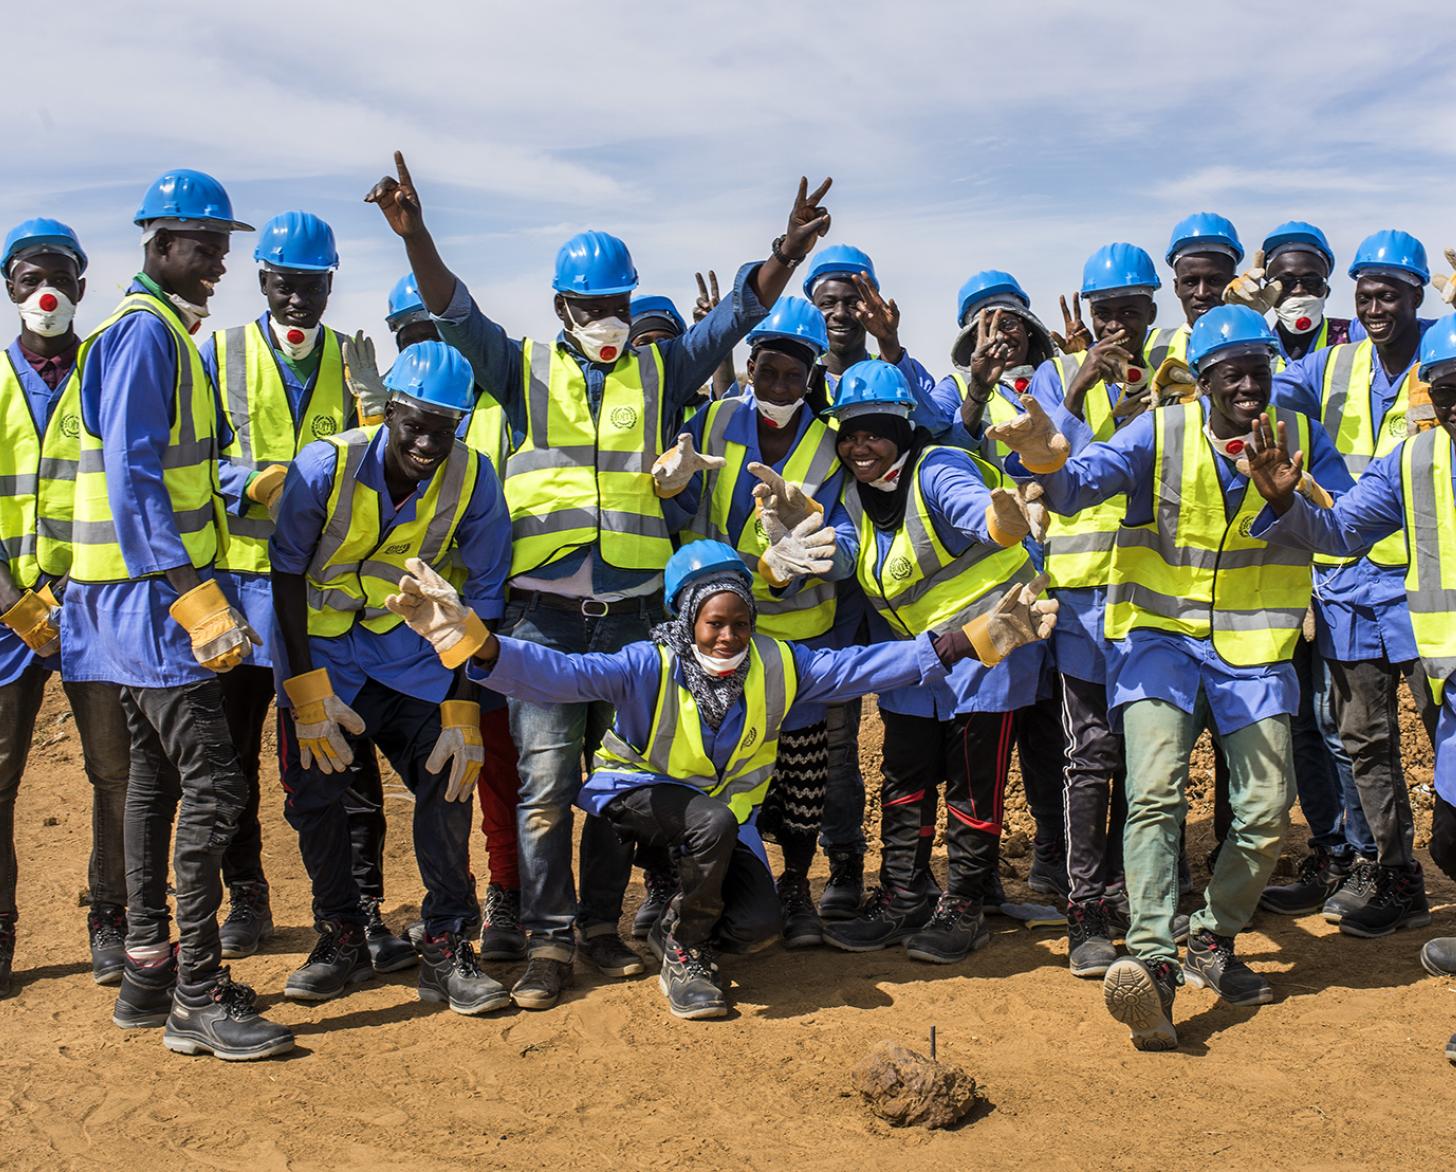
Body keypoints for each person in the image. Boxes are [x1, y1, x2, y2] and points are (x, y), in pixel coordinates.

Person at [365, 149, 832, 1010]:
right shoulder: (522, 369)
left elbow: (733, 318)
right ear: (560, 309)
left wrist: (787, 255)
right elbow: (451, 309)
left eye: (619, 306)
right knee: (545, 783)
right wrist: (417, 234)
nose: (610, 322)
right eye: (592, 308)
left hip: (632, 617)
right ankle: (548, 943)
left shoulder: (660, 371)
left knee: (623, 781)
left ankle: (600, 928)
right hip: (543, 618)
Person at [382, 540, 1055, 1018]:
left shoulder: (782, 666)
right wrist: (471, 639)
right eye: (714, 623)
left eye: (739, 622)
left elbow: (869, 666)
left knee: (758, 922)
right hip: (637, 803)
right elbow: (557, 675)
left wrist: (974, 639)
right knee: (709, 822)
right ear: (687, 620)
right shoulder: (646, 663)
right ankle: (682, 951)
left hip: (713, 824)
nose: (728, 636)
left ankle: (670, 914)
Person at [991, 305, 1353, 1050]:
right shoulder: (1160, 428)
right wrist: (1043, 457)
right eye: (1233, 374)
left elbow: (1345, 527)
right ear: (1206, 379)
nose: (1249, 384)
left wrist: (1287, 501)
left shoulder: (1302, 435)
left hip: (1253, 651)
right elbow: (1075, 486)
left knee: (1266, 804)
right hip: (1159, 642)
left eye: (1259, 369)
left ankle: (1211, 937)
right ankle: (1153, 959)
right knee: (1153, 791)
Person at [38, 169, 293, 1059]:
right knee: (216, 785)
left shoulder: (144, 331)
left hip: (116, 601)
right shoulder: (148, 335)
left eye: (223, 244)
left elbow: (161, 469)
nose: (220, 261)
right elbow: (134, 479)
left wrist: (235, 485)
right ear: (158, 245)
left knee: (153, 785)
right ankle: (196, 989)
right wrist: (192, 595)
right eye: (204, 245)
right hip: (152, 604)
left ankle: (147, 968)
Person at [269, 340, 513, 1014]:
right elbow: (285, 575)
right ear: (388, 412)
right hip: (325, 658)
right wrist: (304, 691)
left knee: (449, 774)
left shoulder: (474, 476)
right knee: (316, 794)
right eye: (415, 426)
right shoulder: (327, 465)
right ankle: (342, 936)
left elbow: (484, 597)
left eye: (445, 427)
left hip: (410, 660)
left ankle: (446, 943)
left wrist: (465, 709)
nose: (429, 443)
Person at [199, 211, 413, 973]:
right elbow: (187, 459)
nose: (298, 302)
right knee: (229, 762)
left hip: (315, 604)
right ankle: (247, 894)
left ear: (330, 285)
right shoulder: (216, 354)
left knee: (334, 758)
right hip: (235, 594)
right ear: (263, 281)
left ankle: (359, 911)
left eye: (313, 287)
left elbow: (388, 461)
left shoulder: (353, 361)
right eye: (285, 285)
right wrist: (240, 480)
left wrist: (373, 410)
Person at [1244, 310, 1456, 1065]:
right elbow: (1338, 530)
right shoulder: (1413, 459)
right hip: (1398, 626)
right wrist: (1283, 502)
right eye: (1448, 392)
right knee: (1380, 759)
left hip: (1415, 623)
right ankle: (1395, 878)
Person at [803, 361, 1056, 961]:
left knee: (974, 785)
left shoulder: (937, 467)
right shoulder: (852, 493)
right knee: (904, 779)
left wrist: (1003, 521)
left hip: (991, 647)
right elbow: (843, 550)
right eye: (849, 433)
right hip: (918, 661)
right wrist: (799, 549)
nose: (859, 445)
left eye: (873, 431)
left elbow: (980, 512)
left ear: (902, 428)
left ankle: (966, 904)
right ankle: (902, 896)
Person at [1270, 229, 1439, 934]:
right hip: (1349, 585)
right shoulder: (1334, 366)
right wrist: (1254, 322)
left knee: (1445, 735)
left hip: (1428, 589)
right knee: (1363, 739)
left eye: (1390, 294)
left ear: (1416, 296)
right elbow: (1258, 382)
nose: (1376, 307)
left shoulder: (1443, 353)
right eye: (1366, 294)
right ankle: (1394, 876)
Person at [351, 272, 523, 961]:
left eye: (431, 327)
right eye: (408, 331)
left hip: (475, 625)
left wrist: (472, 647)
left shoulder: (492, 410)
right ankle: (358, 919)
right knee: (361, 787)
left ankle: (501, 899)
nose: (422, 343)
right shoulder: (393, 411)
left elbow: (488, 546)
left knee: (490, 770)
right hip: (380, 634)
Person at [1006, 243, 1163, 974]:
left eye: (1130, 311)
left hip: (1151, 596)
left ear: (1151, 312)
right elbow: (1020, 460)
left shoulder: (1173, 373)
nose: (1118, 327)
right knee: (1090, 754)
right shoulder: (1051, 376)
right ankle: (1087, 907)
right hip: (1078, 597)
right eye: (1106, 314)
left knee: (1150, 754)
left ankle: (1144, 888)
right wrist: (1076, 387)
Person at [680, 295, 844, 947]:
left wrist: (805, 546)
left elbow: (843, 536)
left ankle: (796, 885)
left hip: (800, 640)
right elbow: (690, 514)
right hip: (723, 633)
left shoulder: (829, 447)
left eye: (792, 376)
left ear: (810, 378)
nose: (778, 387)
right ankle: (702, 887)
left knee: (803, 777)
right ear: (748, 365)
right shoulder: (715, 422)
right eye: (768, 371)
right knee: (714, 769)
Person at [0, 218, 131, 994]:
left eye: (56, 274)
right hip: (7, 615)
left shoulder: (106, 375)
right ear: (9, 289)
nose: (42, 289)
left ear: (81, 286)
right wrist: (16, 602)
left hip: (93, 608)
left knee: (114, 772)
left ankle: (110, 921)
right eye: (25, 276)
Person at [923, 269, 1071, 903]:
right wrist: (979, 389)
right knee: (988, 736)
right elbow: (937, 450)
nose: (1001, 332)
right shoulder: (949, 388)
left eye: (1010, 319)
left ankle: (1053, 858)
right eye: (985, 321)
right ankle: (974, 881)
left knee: (1053, 735)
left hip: (1065, 584)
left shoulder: (1055, 383)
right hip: (993, 594)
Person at [1224, 221, 1351, 365]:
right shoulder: (1256, 350)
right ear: (1269, 291)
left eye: (1311, 281)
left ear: (1326, 290)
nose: (1299, 290)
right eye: (1286, 282)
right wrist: (1243, 320)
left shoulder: (1354, 336)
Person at [1147, 212, 1244, 371]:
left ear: (1233, 284)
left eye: (1214, 281)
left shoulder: (1261, 350)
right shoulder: (1152, 351)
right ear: (1176, 287)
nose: (1202, 293)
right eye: (1190, 282)